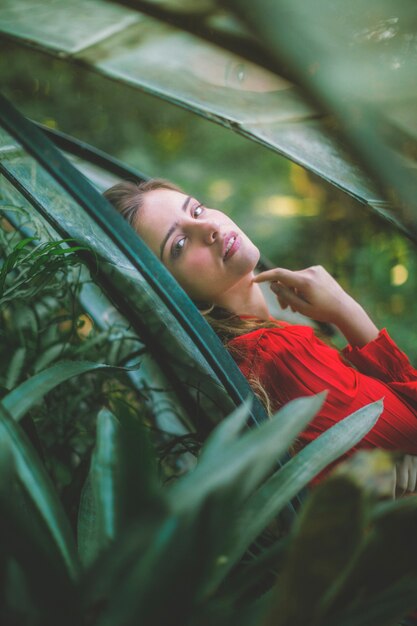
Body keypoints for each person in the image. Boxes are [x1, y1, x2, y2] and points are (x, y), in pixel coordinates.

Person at [104, 178, 417, 495]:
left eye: (196, 210)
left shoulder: (249, 355)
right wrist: (347, 311)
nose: (209, 228)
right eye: (179, 245)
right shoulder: (275, 354)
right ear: (166, 292)